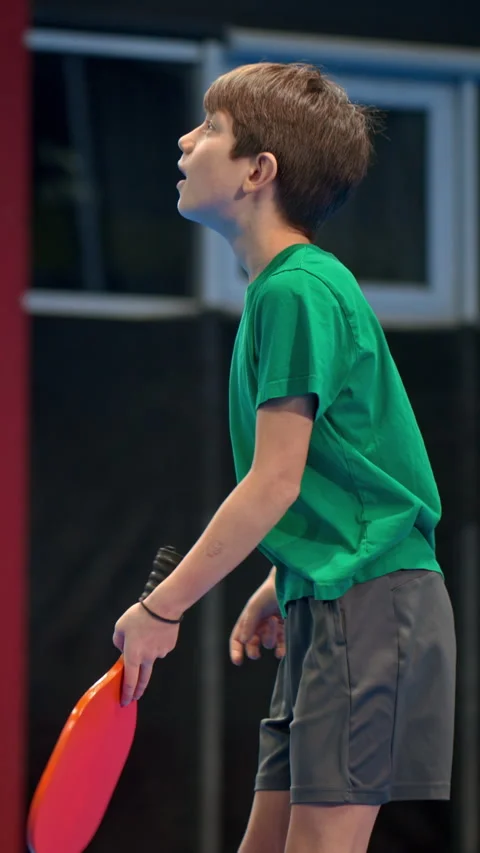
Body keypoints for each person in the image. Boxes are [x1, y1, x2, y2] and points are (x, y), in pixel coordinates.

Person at [112, 62, 456, 853]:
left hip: (369, 607)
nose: (185, 139)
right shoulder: (289, 289)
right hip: (329, 599)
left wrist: (163, 609)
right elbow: (358, 461)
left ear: (258, 172)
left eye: (210, 129)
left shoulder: (296, 291)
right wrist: (283, 574)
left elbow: (273, 480)